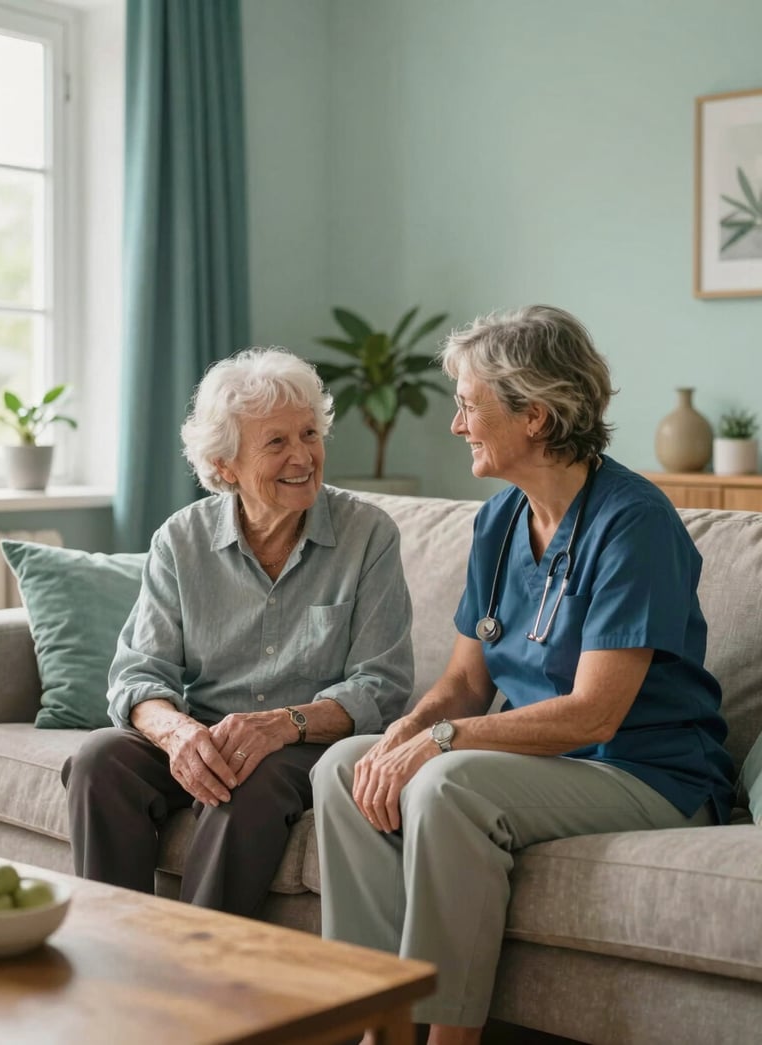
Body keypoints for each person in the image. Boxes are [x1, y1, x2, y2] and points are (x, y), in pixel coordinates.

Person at [311, 305, 735, 1045]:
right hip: (537, 761)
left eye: (468, 405)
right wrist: (407, 730)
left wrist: (441, 742)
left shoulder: (634, 522)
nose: (456, 424)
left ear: (534, 416)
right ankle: (379, 1030)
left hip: (642, 770)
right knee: (347, 769)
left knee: (449, 782)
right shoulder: (500, 519)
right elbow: (464, 683)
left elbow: (593, 716)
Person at [62, 347, 413, 918]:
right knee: (100, 760)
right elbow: (138, 673)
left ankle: (201, 969)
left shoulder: (367, 535)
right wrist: (178, 734)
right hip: (204, 733)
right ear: (225, 466)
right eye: (277, 442)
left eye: (309, 434)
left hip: (304, 744)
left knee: (252, 782)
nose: (303, 456)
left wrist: (281, 725)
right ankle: (113, 956)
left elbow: (382, 684)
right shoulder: (181, 540)